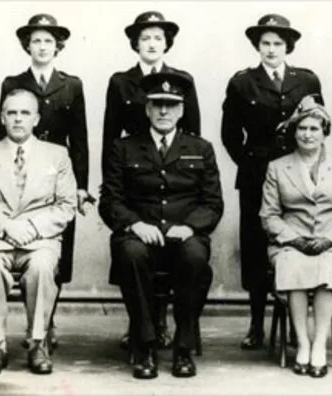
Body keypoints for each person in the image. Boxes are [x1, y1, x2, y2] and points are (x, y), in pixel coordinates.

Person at [99, 72, 223, 379]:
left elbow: (213, 203)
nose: (164, 111)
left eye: (171, 105)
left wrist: (191, 227)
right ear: (146, 109)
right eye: (157, 105)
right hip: (140, 236)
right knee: (131, 255)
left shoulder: (201, 148)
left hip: (183, 236)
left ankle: (183, 347)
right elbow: (110, 200)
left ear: (181, 110)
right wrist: (134, 223)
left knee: (196, 258)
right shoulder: (124, 148)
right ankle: (145, 345)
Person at [221, 13, 323, 350]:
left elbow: (316, 127)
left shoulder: (306, 81)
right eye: (265, 43)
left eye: (278, 43)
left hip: (297, 173)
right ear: (257, 46)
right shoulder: (242, 83)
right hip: (256, 175)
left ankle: (295, 325)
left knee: (296, 240)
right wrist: (252, 164)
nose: (271, 49)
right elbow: (230, 134)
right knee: (255, 248)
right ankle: (255, 324)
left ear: (287, 46)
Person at [103, 9, 203, 351]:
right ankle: (143, 330)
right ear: (135, 43)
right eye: (145, 37)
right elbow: (110, 136)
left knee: (187, 256)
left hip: (174, 179)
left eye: (158, 37)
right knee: (134, 253)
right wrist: (121, 207)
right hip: (134, 176)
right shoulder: (121, 81)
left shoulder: (183, 80)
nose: (151, 43)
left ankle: (169, 329)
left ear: (167, 43)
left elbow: (192, 135)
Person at [0, 88, 77, 376]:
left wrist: (33, 228)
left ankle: (38, 342)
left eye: (25, 113)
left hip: (39, 240)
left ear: (36, 119)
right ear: (2, 118)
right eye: (11, 113)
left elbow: (66, 205)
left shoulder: (58, 155)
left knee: (41, 266)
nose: (18, 119)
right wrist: (6, 227)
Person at [0, 14, 93, 346]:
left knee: (55, 252)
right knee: (23, 246)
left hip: (57, 173)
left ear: (58, 46)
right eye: (36, 41)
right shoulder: (13, 83)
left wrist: (80, 185)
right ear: (28, 46)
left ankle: (45, 323)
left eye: (48, 41)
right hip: (21, 174)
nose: (42, 47)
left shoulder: (71, 85)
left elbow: (79, 138)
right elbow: (1, 138)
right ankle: (30, 323)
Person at [260, 98, 332, 378]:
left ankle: (319, 345)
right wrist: (293, 240)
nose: (307, 134)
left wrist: (330, 240)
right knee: (293, 265)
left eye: (314, 129)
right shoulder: (277, 167)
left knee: (329, 267)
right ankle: (302, 345)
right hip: (289, 242)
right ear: (294, 132)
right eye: (302, 128)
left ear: (324, 132)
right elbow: (268, 215)